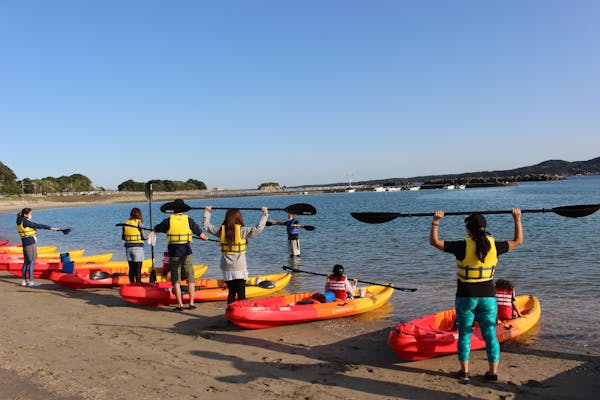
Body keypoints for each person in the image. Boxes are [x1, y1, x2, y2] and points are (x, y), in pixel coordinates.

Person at [429, 208, 522, 382]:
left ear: (468, 230)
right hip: (488, 298)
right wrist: (517, 219)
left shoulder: (462, 246)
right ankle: (492, 372)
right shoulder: (495, 245)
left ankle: (464, 371)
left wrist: (436, 221)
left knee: (464, 333)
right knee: (490, 334)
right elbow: (518, 240)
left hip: (465, 296)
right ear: (485, 228)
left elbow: (434, 242)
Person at [203, 205, 268, 304]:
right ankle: (240, 315)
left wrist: (207, 212)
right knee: (241, 295)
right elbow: (258, 228)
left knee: (231, 293)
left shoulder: (221, 231)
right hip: (239, 267)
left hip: (226, 267)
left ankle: (230, 313)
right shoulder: (242, 231)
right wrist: (264, 214)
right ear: (239, 218)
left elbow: (206, 226)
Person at [153, 199, 208, 311]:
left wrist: (157, 230)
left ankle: (180, 305)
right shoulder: (189, 220)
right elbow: (201, 235)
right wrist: (205, 238)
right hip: (186, 252)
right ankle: (191, 303)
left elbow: (157, 228)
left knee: (176, 279)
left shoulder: (168, 220)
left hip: (174, 253)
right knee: (190, 278)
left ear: (173, 209)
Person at [16, 208, 62, 287]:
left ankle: (24, 281)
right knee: (32, 262)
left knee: (26, 262)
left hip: (25, 243)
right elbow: (39, 226)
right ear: (25, 215)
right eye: (30, 214)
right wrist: (52, 228)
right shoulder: (26, 222)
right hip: (30, 244)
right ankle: (31, 282)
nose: (31, 215)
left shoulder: (19, 221)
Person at [122, 207, 154, 283]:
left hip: (128, 249)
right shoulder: (139, 223)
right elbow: (144, 237)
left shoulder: (126, 223)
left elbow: (123, 237)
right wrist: (151, 233)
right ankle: (138, 285)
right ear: (139, 214)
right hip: (137, 248)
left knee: (131, 268)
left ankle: (132, 284)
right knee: (138, 269)